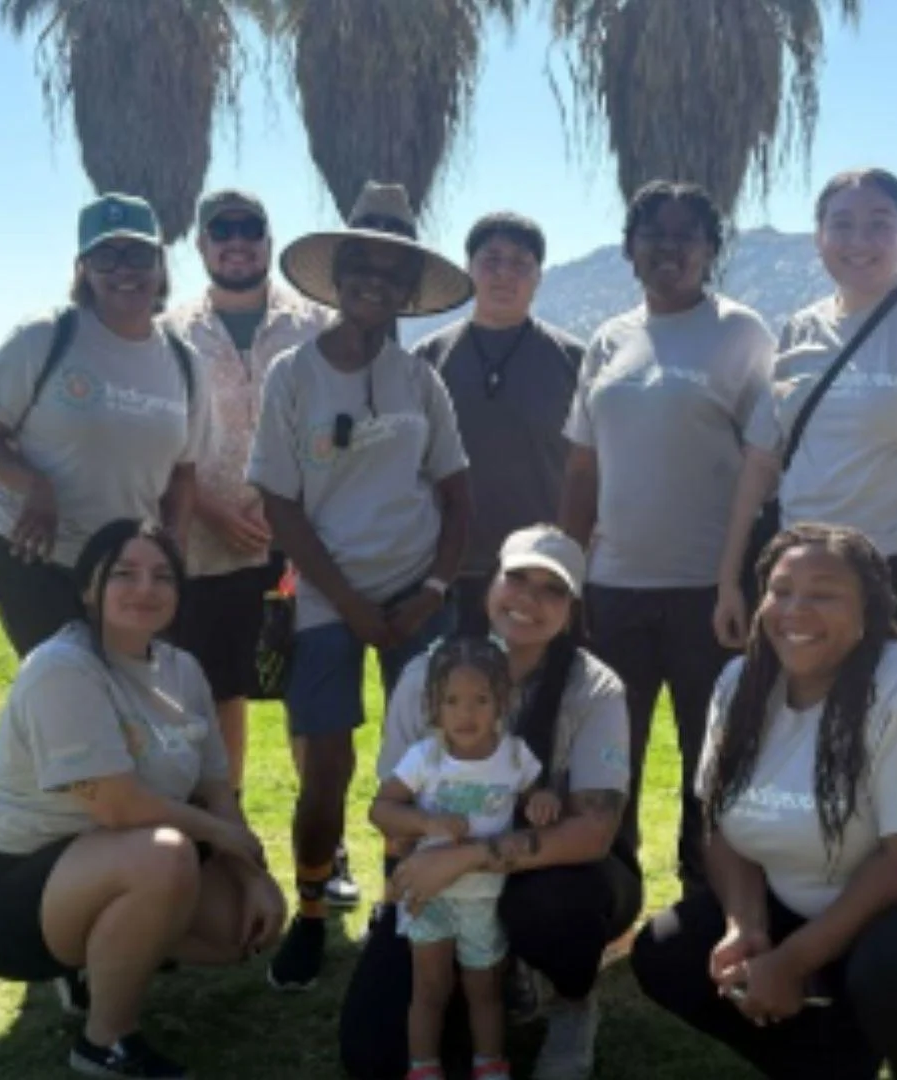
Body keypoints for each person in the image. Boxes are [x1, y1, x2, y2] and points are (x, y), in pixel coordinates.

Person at [629, 523, 897, 1080]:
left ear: (868, 608)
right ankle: (829, 1064)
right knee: (670, 951)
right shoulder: (739, 683)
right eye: (780, 591)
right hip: (808, 909)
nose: (795, 609)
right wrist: (745, 926)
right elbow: (720, 825)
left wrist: (792, 960)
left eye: (823, 594)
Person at [0, 519, 285, 1080]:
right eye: (123, 573)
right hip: (2, 891)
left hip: (100, 864)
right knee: (165, 854)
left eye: (162, 576)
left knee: (235, 929)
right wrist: (224, 837)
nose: (144, 588)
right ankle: (106, 1042)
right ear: (87, 588)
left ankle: (95, 966)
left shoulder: (183, 670)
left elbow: (215, 788)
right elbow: (117, 807)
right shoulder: (61, 667)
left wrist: (252, 877)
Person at [250, 181, 475, 990]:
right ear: (338, 279)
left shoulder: (419, 381)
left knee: (424, 759)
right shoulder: (293, 376)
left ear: (407, 292)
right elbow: (279, 502)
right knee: (327, 763)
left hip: (418, 594)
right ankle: (312, 912)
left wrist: (434, 588)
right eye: (362, 269)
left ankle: (401, 906)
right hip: (325, 597)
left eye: (392, 274)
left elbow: (456, 493)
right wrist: (346, 602)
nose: (375, 285)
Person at [340, 525, 641, 1080]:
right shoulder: (426, 676)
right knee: (377, 1055)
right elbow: (390, 814)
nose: (529, 599)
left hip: (556, 877)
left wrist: (469, 856)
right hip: (441, 881)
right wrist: (422, 858)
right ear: (489, 585)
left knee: (557, 908)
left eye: (552, 590)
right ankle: (494, 980)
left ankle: (570, 998)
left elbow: (594, 831)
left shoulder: (595, 689)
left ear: (572, 610)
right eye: (517, 578)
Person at [557, 180, 776, 890]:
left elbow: (767, 461)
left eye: (688, 236)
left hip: (707, 591)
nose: (670, 249)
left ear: (712, 251)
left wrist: (742, 580)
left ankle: (704, 899)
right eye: (653, 234)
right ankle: (607, 889)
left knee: (709, 756)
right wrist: (568, 572)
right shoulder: (609, 340)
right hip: (612, 587)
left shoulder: (741, 334)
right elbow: (583, 466)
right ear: (630, 249)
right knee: (607, 754)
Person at [161, 189, 364, 904]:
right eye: (222, 231)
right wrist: (211, 510)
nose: (237, 242)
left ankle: (325, 847)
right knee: (219, 695)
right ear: (201, 245)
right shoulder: (170, 331)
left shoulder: (314, 323)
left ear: (269, 241)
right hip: (207, 547)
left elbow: (346, 423)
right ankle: (230, 843)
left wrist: (292, 505)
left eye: (250, 229)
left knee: (310, 699)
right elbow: (164, 439)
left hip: (302, 545)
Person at [715, 168, 897, 662]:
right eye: (842, 224)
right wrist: (729, 582)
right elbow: (760, 464)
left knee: (890, 709)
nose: (859, 241)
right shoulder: (800, 329)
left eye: (879, 223)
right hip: (798, 573)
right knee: (794, 709)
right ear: (819, 236)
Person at [0, 193, 209, 658]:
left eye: (138, 255)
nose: (123, 270)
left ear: (161, 265)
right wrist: (34, 486)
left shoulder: (185, 362)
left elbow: (183, 474)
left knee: (130, 686)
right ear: (82, 270)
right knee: (65, 683)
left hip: (127, 566)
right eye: (105, 257)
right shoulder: (45, 337)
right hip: (36, 557)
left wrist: (171, 550)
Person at [370, 636, 560, 1080]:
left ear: (502, 702)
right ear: (434, 705)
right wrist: (425, 823)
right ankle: (423, 1067)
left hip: (484, 897)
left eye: (480, 700)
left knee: (484, 989)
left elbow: (537, 794)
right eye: (452, 701)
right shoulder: (425, 757)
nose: (465, 713)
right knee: (430, 988)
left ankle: (489, 1064)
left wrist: (544, 801)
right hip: (429, 897)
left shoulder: (514, 755)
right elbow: (381, 809)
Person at [413, 213, 586, 636]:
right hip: (445, 569)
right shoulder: (427, 359)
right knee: (450, 680)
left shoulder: (574, 361)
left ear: (539, 276)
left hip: (541, 570)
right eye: (491, 260)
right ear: (468, 269)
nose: (504, 274)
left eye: (521, 263)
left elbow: (595, 466)